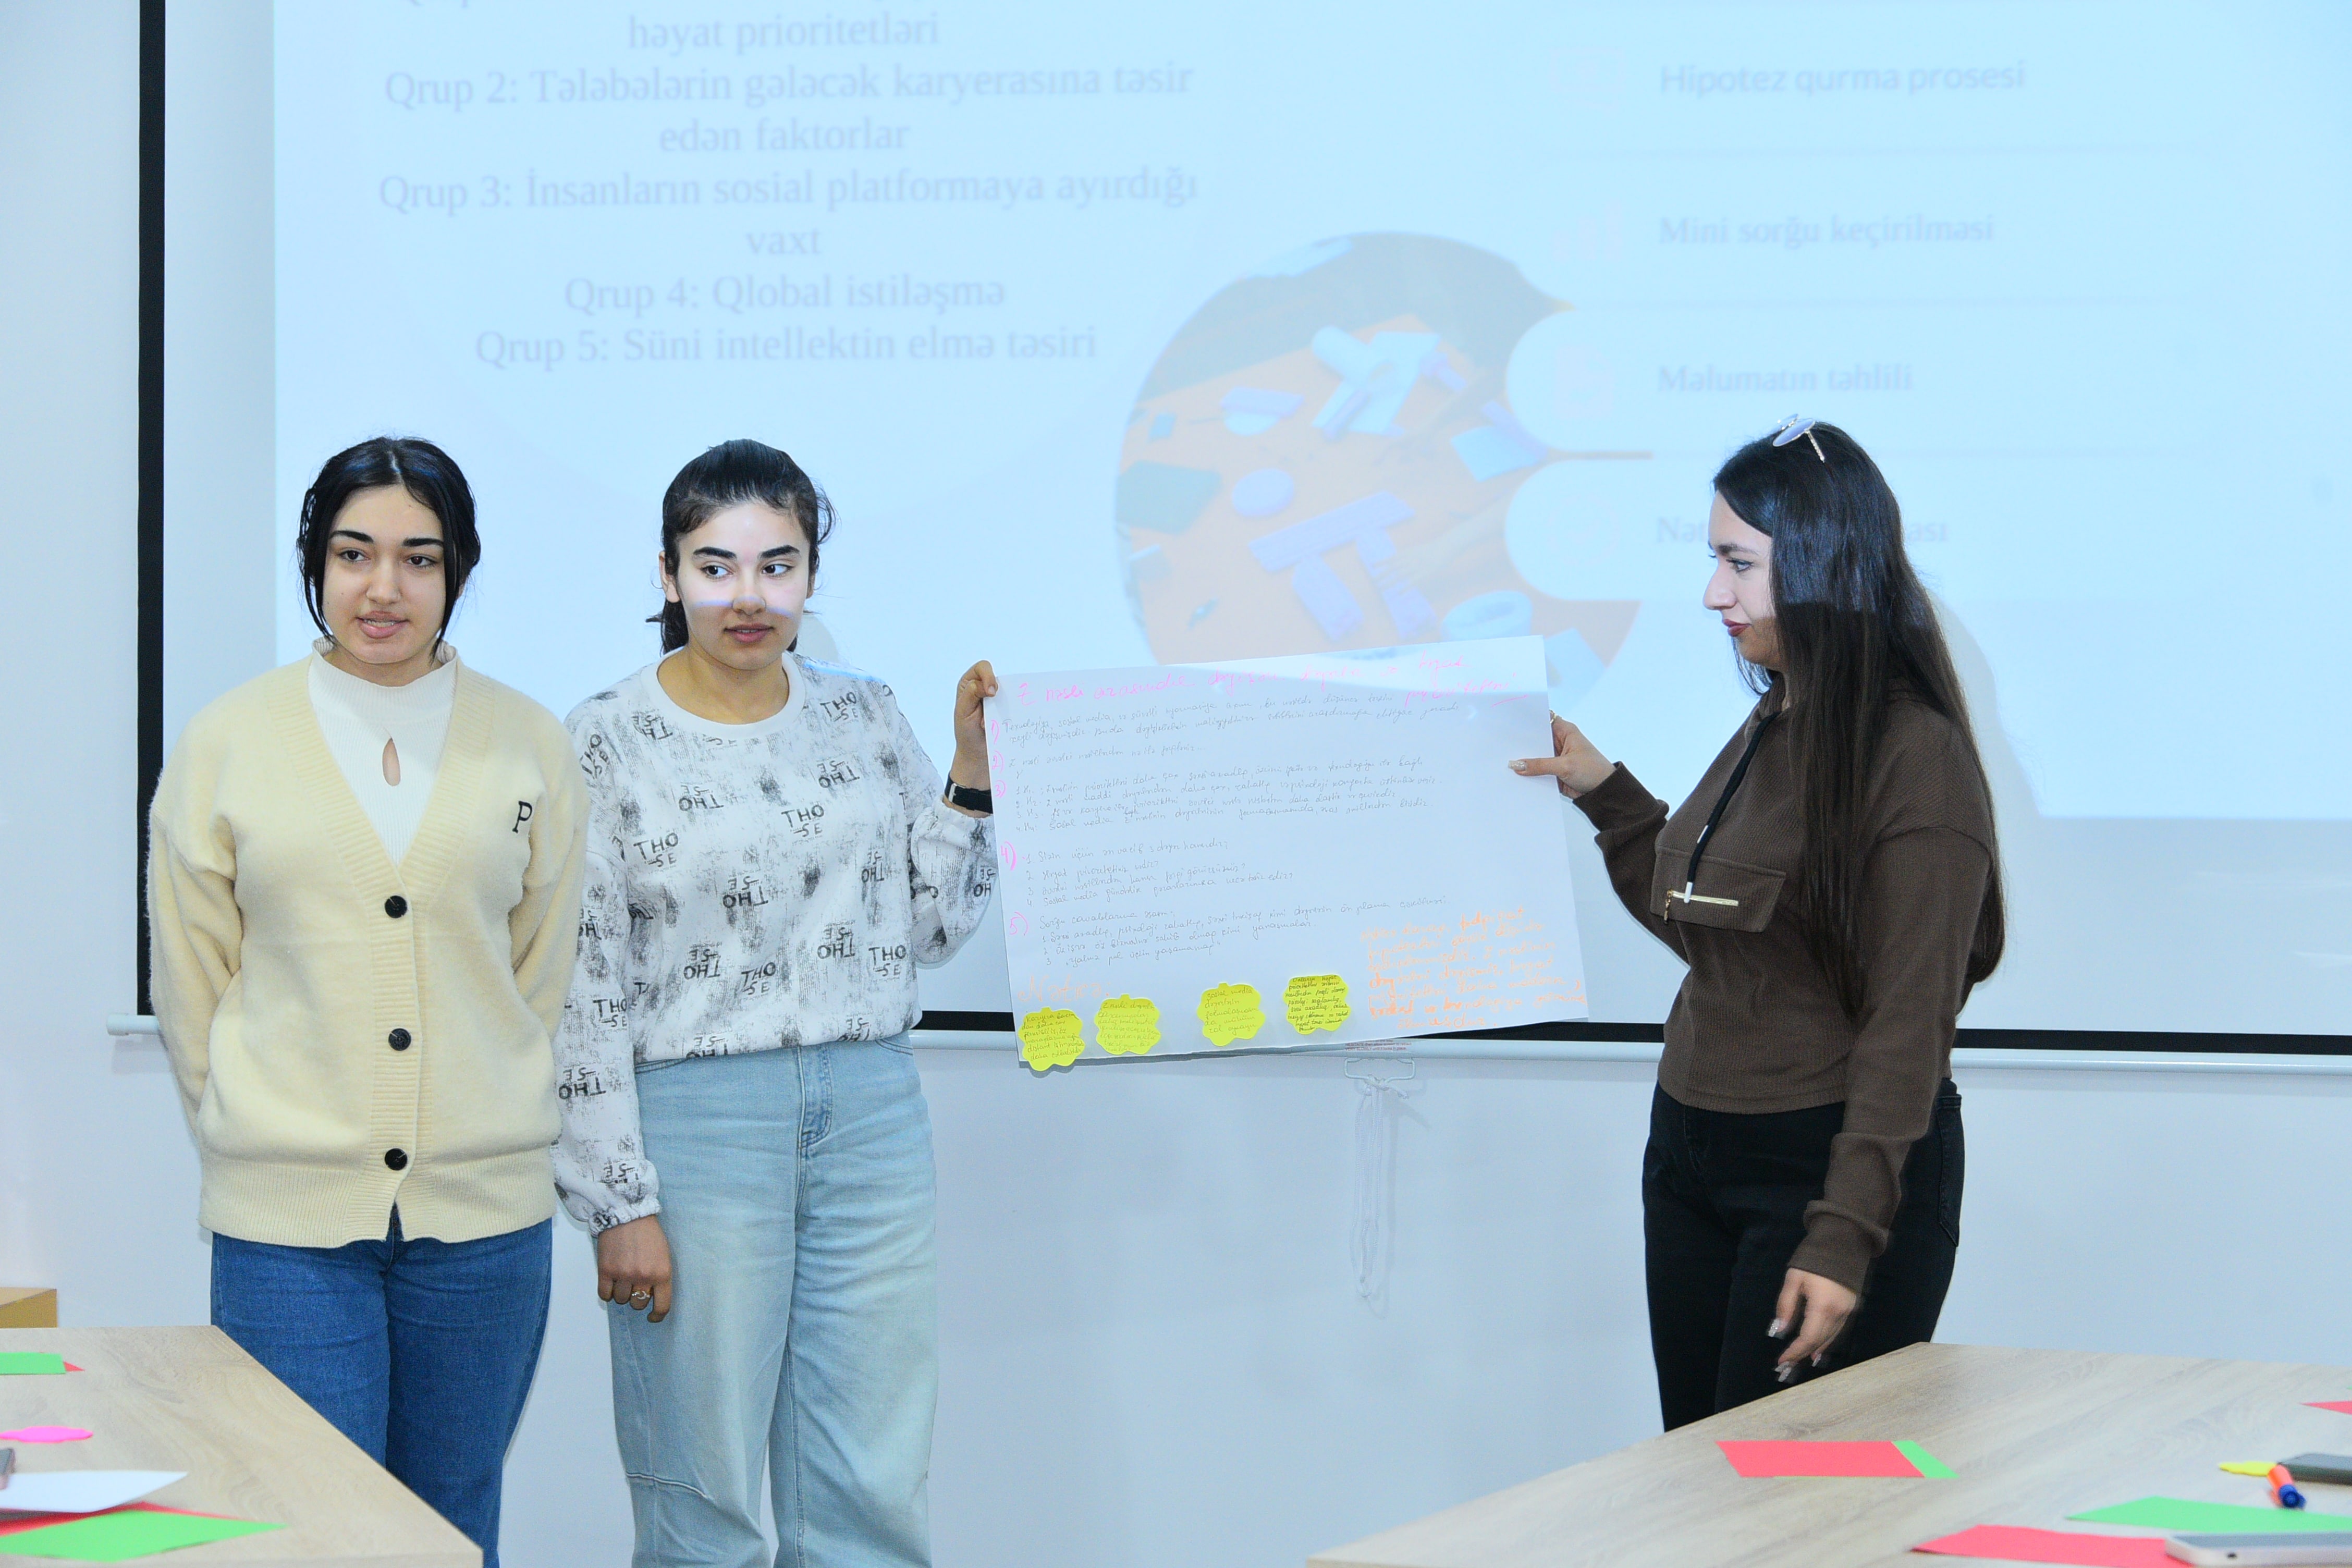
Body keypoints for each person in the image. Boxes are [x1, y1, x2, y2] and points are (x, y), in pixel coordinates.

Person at [553, 439, 998, 1568]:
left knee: (873, 1478)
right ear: (668, 574)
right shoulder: (601, 738)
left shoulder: (865, 714)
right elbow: (579, 983)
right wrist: (616, 1198)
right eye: (716, 566)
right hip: (698, 1124)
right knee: (700, 1485)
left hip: (872, 1115)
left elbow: (933, 927)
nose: (747, 596)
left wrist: (971, 774)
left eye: (776, 565)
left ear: (810, 575)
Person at [147, 437, 587, 1564]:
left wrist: (483, 1105)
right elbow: (193, 981)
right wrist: (263, 1131)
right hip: (288, 1232)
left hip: (484, 1224)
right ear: (315, 563)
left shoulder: (528, 742)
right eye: (353, 554)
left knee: (449, 1525)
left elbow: (538, 972)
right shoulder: (228, 741)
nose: (384, 588)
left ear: (457, 572)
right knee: (309, 1531)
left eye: (418, 558)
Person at [1512, 418, 2003, 1429]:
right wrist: (1603, 792)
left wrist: (1845, 1233)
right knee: (1701, 1476)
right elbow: (1721, 936)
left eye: (1739, 564)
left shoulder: (1914, 757)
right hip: (1693, 1153)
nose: (1713, 594)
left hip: (1821, 1173)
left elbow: (1910, 1023)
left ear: (1825, 563)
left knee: (1787, 1497)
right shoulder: (1782, 712)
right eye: (1715, 561)